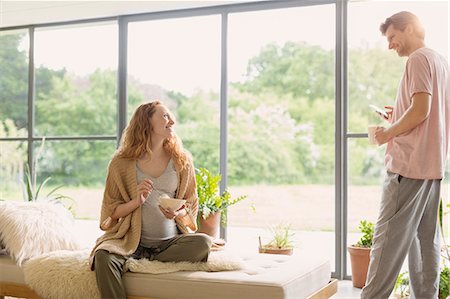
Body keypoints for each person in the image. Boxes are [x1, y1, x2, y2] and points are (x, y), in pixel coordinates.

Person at [361, 11, 450, 298]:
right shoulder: (440, 61)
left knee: (386, 243)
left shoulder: (418, 59)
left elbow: (421, 111)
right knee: (425, 244)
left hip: (407, 167)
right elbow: (428, 111)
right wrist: (397, 115)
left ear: (410, 28)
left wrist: (387, 133)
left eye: (392, 38)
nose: (390, 46)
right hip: (431, 167)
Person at [89, 101, 212, 299]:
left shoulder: (182, 159)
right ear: (146, 122)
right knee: (103, 256)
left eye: (170, 116)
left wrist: (177, 213)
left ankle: (153, 259)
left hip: (169, 244)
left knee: (204, 243)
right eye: (165, 116)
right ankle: (139, 258)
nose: (172, 121)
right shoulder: (120, 163)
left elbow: (190, 203)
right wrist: (136, 201)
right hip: (131, 243)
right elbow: (111, 211)